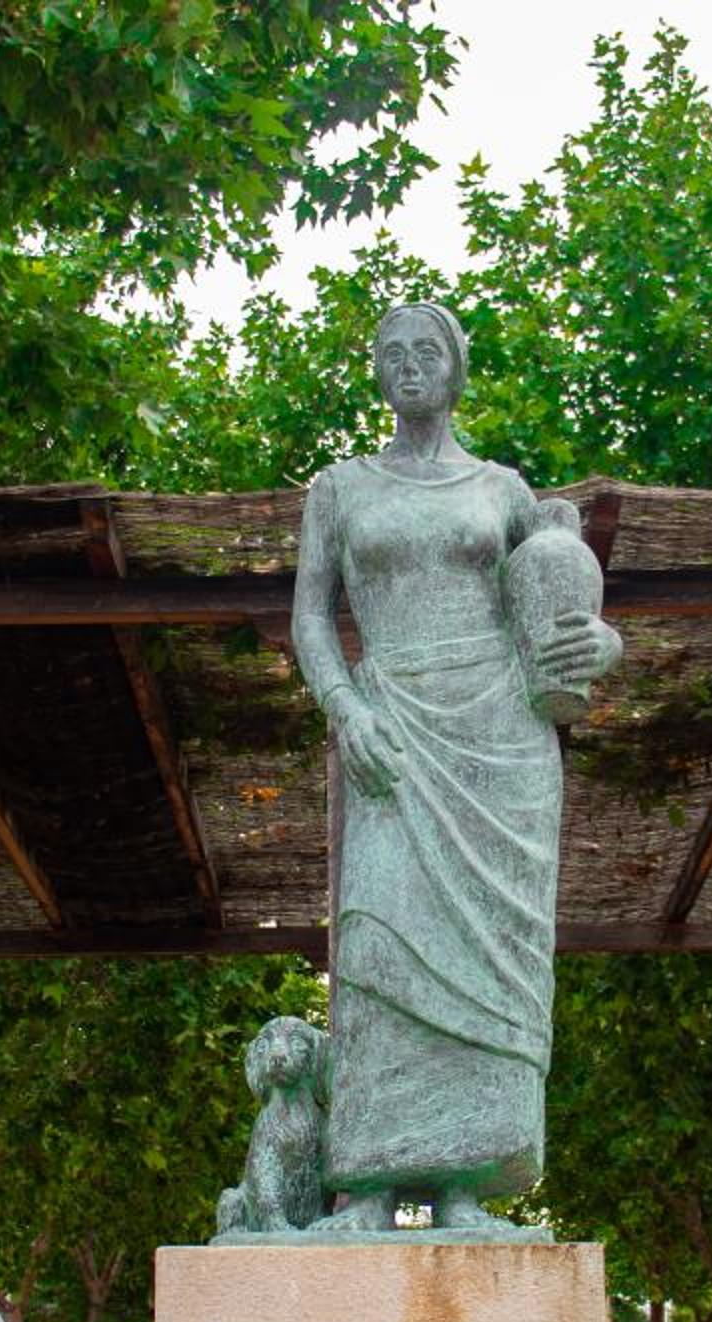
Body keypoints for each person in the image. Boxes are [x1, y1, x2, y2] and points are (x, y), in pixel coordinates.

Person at [289, 301, 621, 1233]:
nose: (408, 367)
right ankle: (368, 1183)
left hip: (499, 740)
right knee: (377, 943)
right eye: (389, 353)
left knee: (494, 961)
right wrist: (344, 706)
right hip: (390, 729)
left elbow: (559, 616)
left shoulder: (507, 490)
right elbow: (311, 617)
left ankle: (467, 1185)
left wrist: (602, 644)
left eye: (425, 351)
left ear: (457, 366)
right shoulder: (340, 489)